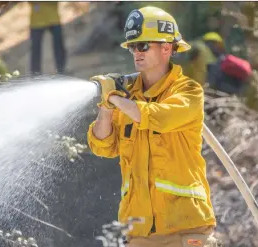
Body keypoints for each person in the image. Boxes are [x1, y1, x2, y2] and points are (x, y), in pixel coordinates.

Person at [87, 6, 220, 247]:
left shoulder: (188, 91)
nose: (136, 52)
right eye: (132, 46)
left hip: (186, 228)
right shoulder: (127, 96)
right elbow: (103, 145)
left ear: (167, 47)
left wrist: (115, 99)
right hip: (140, 235)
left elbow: (159, 117)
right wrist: (106, 106)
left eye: (143, 45)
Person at [29, 2, 66, 75]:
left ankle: (61, 71)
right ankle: (35, 75)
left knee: (59, 46)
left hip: (54, 18)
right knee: (35, 49)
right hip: (36, 20)